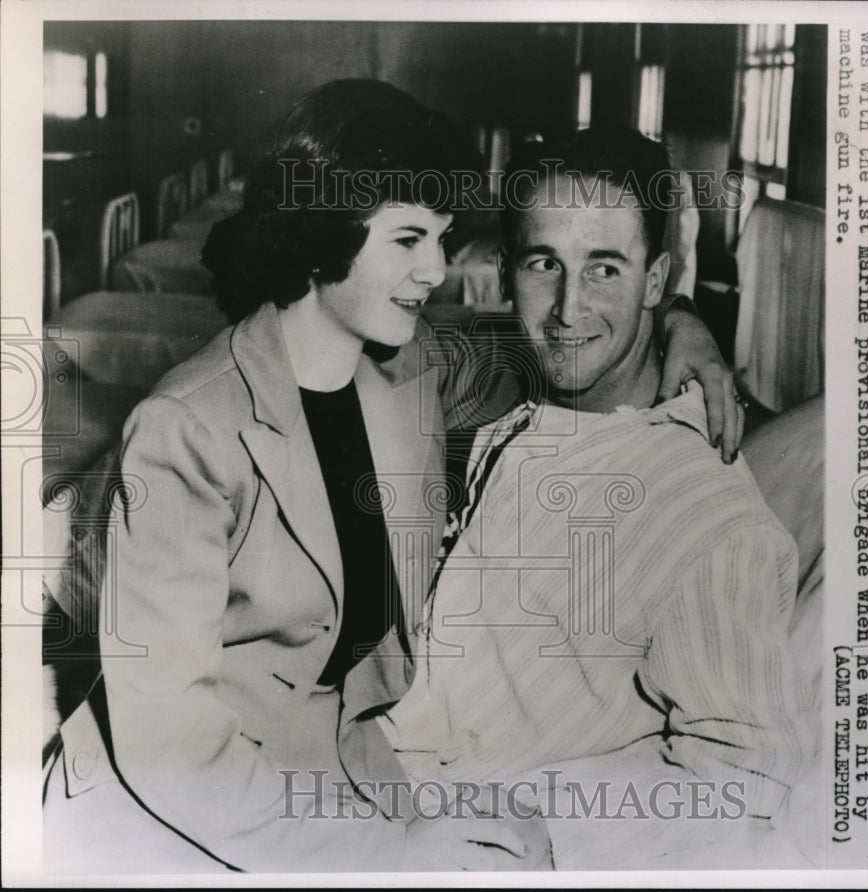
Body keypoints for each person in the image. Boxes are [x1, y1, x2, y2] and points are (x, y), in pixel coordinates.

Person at [41, 81, 740, 873]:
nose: (437, 271)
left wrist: (682, 319)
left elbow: (565, 339)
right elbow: (168, 744)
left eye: (442, 239)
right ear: (322, 236)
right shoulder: (186, 430)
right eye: (408, 240)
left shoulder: (412, 370)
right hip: (182, 814)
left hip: (351, 775)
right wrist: (389, 852)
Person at [381, 128, 820, 869]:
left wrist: (544, 836)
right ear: (508, 269)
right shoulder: (518, 407)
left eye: (606, 269)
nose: (566, 308)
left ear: (656, 281)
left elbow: (743, 771)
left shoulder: (705, 512)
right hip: (383, 793)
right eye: (544, 263)